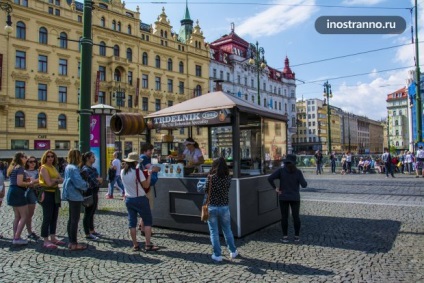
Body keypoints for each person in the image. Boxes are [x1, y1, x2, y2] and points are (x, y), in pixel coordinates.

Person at [121, 152, 159, 252]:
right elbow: (146, 185)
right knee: (147, 222)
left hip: (129, 199)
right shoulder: (137, 172)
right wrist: (150, 175)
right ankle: (147, 245)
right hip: (140, 198)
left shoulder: (122, 172)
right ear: (135, 162)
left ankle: (135, 245)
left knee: (132, 223)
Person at [202, 157, 237, 262]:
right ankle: (233, 251)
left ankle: (217, 255)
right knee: (227, 230)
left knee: (214, 232)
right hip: (224, 207)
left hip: (212, 206)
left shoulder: (211, 177)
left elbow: (205, 190)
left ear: (214, 165)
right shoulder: (228, 178)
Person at [268, 154, 307, 243]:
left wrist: (276, 188)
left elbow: (270, 178)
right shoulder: (298, 172)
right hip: (295, 198)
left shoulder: (281, 171)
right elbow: (304, 185)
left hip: (283, 197)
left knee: (284, 217)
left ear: (285, 162)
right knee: (296, 217)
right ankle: (296, 236)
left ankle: (285, 237)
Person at [62, 149, 89, 251]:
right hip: (75, 195)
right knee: (74, 219)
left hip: (70, 195)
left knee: (71, 219)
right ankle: (73, 243)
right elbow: (79, 183)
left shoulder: (68, 167)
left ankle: (71, 242)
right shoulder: (74, 168)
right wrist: (86, 185)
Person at [39, 150, 64, 249]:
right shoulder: (43, 168)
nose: (50, 158)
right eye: (48, 156)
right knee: (47, 216)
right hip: (47, 193)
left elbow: (61, 179)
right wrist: (56, 180)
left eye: (52, 156)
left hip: (55, 193)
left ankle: (53, 237)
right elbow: (49, 183)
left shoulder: (53, 167)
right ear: (45, 157)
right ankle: (45, 239)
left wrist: (55, 180)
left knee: (54, 216)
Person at [6, 152, 31, 245]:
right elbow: (19, 183)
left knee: (17, 216)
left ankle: (15, 236)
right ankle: (17, 238)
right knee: (24, 215)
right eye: (25, 157)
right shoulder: (20, 168)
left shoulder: (13, 167)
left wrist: (25, 181)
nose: (26, 159)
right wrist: (29, 183)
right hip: (18, 192)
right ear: (21, 158)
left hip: (12, 191)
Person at [138, 143, 160, 235]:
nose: (151, 152)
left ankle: (140, 225)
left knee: (144, 206)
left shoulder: (140, 158)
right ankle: (144, 229)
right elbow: (151, 168)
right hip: (147, 185)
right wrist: (157, 168)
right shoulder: (145, 158)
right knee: (147, 207)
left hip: (142, 185)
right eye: (150, 150)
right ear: (145, 150)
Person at [80, 152, 103, 241]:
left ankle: (92, 230)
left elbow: (99, 180)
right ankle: (87, 233)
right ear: (88, 159)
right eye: (93, 157)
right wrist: (99, 180)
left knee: (92, 212)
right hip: (89, 193)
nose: (94, 158)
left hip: (94, 192)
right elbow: (95, 181)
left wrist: (99, 180)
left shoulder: (93, 168)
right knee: (88, 213)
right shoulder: (86, 169)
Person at [24, 156, 40, 241]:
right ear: (27, 163)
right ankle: (29, 232)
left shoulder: (38, 171)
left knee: (31, 213)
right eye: (30, 162)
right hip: (28, 193)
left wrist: (34, 181)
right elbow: (27, 184)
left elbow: (41, 181)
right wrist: (35, 181)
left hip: (36, 193)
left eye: (34, 161)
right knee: (28, 215)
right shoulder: (24, 172)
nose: (32, 163)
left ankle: (30, 231)